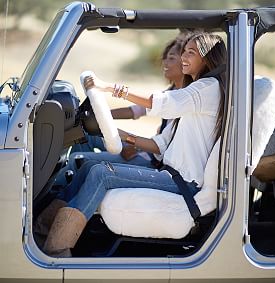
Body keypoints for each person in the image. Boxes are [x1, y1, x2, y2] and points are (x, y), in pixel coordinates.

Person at [42, 32, 227, 257]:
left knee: (101, 173)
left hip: (185, 184)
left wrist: (110, 88)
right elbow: (161, 144)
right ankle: (44, 228)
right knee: (91, 168)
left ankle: (57, 249)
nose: (182, 58)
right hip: (172, 175)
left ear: (208, 58)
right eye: (184, 51)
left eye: (191, 53)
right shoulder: (193, 92)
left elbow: (159, 104)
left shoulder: (207, 88)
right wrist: (116, 132)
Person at [51, 33, 188, 188]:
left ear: (185, 63)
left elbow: (163, 146)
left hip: (151, 159)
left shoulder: (183, 100)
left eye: (171, 58)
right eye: (165, 57)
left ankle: (59, 192)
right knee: (86, 133)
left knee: (80, 158)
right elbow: (135, 111)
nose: (165, 62)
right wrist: (102, 116)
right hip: (145, 149)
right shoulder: (170, 91)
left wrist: (134, 145)